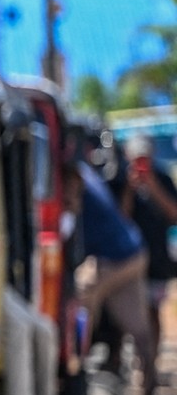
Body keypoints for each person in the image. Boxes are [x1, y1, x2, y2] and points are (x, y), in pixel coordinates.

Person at [72, 154, 154, 374]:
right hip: (133, 249)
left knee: (81, 294)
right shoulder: (86, 172)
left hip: (116, 256)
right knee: (138, 328)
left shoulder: (76, 177)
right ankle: (148, 385)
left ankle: (76, 366)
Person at [112, 136, 177, 384]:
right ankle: (132, 368)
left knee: (152, 314)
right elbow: (119, 219)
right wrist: (130, 187)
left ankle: (150, 369)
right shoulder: (120, 180)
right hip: (125, 260)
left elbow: (173, 214)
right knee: (127, 319)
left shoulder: (162, 179)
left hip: (157, 262)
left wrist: (152, 186)